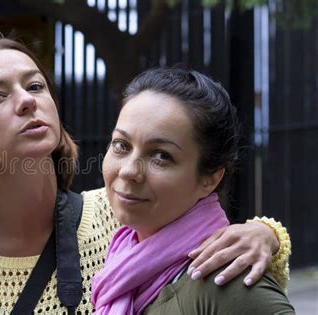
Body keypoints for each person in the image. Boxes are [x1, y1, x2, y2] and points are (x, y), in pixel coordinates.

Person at [0, 29, 290, 314]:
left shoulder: (124, 217)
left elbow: (209, 245)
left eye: (35, 86)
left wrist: (267, 235)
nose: (26, 101)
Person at [91, 67, 294, 314]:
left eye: (161, 156)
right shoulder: (118, 253)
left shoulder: (226, 281)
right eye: (121, 145)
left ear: (210, 179)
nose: (128, 171)